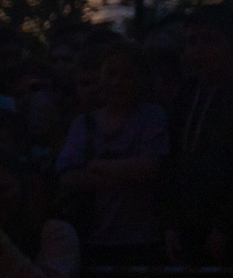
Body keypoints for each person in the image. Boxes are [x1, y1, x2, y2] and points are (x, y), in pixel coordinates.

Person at [166, 5, 233, 265]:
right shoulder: (186, 95)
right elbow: (171, 162)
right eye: (192, 41)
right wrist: (170, 222)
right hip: (187, 226)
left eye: (210, 40)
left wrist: (225, 227)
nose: (199, 49)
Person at [52, 40, 167, 265]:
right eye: (111, 74)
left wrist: (97, 167)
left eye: (127, 75)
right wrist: (126, 172)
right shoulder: (83, 124)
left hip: (142, 238)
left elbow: (151, 168)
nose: (118, 83)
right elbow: (67, 177)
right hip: (92, 236)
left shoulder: (152, 117)